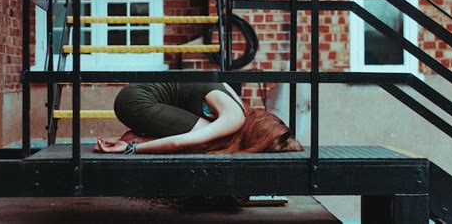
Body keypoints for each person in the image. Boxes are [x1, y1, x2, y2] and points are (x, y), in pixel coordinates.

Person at [94, 82, 303, 154]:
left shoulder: (238, 105)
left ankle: (134, 139)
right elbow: (178, 141)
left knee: (206, 136)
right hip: (137, 101)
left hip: (134, 95)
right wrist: (131, 150)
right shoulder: (234, 118)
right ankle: (133, 143)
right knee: (207, 142)